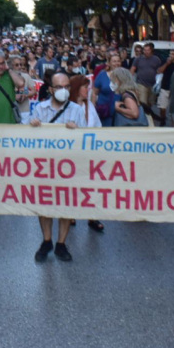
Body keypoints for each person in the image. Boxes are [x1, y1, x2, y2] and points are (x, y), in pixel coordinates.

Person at [29, 72, 91, 262]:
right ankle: (46, 240)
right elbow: (29, 140)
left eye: (66, 87)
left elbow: (87, 140)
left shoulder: (77, 110)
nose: (62, 91)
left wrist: (77, 131)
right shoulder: (40, 109)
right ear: (50, 89)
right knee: (44, 205)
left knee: (66, 204)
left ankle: (61, 243)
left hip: (68, 166)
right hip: (45, 165)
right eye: (58, 87)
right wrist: (32, 126)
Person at [69, 74, 104, 233]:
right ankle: (70, 213)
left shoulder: (89, 105)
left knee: (91, 184)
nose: (88, 90)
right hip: (72, 153)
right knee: (73, 184)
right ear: (77, 89)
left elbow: (97, 126)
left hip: (89, 151)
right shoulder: (67, 106)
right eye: (85, 87)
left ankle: (92, 216)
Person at [91, 51, 122, 127]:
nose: (116, 63)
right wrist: (92, 108)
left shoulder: (125, 75)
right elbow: (94, 92)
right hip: (104, 111)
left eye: (118, 61)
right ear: (109, 63)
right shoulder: (102, 75)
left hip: (121, 112)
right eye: (114, 61)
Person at [130, 42, 162, 112]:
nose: (146, 52)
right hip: (141, 83)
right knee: (143, 101)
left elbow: (159, 71)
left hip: (152, 84)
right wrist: (130, 80)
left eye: (148, 50)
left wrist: (158, 82)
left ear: (151, 50)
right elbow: (133, 69)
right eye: (145, 50)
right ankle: (144, 115)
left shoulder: (156, 59)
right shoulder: (138, 59)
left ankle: (148, 112)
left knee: (150, 102)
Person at [11, 54, 38, 124]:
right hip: (11, 110)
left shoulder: (26, 76)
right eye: (17, 65)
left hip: (24, 111)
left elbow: (34, 90)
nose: (19, 67)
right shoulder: (8, 77)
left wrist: (24, 94)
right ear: (12, 66)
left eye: (20, 64)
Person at [157, 50, 174, 124]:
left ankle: (173, 123)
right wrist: (167, 64)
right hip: (165, 87)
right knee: (162, 106)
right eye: (170, 54)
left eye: (173, 54)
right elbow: (159, 71)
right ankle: (163, 119)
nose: (171, 56)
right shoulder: (165, 62)